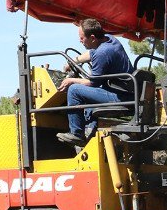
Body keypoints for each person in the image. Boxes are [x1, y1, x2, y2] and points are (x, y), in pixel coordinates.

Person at [57, 18, 133, 146]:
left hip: (122, 97)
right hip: (127, 91)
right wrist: (74, 61)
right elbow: (91, 54)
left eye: (82, 38)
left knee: (74, 90)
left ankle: (76, 134)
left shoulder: (102, 53)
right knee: (86, 93)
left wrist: (70, 80)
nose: (80, 41)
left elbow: (93, 83)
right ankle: (90, 128)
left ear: (92, 37)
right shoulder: (109, 39)